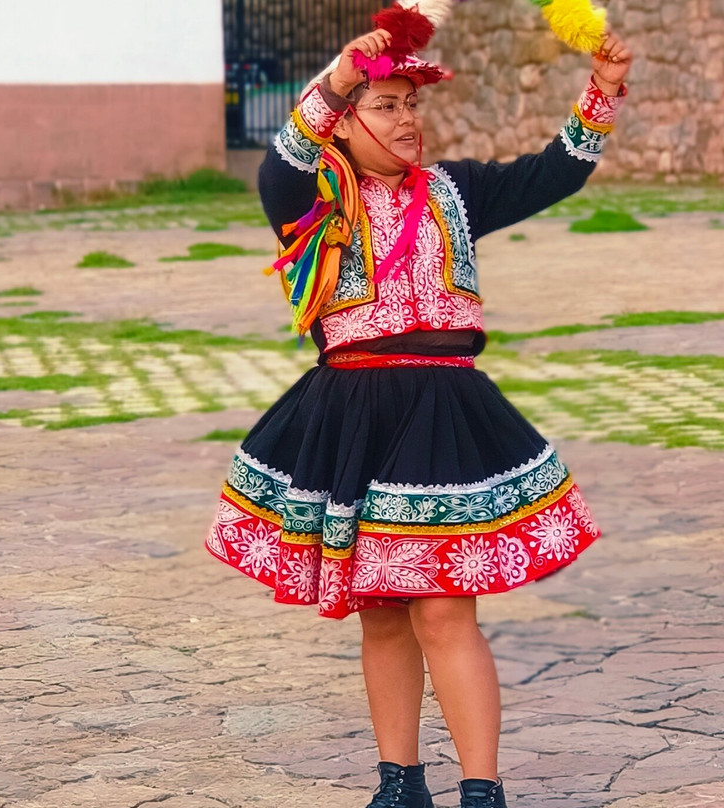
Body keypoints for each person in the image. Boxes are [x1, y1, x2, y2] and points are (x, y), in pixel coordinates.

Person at [204, 16, 632, 808]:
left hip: (443, 412)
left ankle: (481, 790)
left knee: (442, 608)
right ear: (344, 122)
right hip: (353, 413)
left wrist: (601, 92)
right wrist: (337, 79)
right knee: (383, 612)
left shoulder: (454, 193)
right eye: (386, 105)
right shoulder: (314, 200)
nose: (408, 120)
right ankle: (399, 784)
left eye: (412, 104)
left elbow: (552, 173)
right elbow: (280, 163)